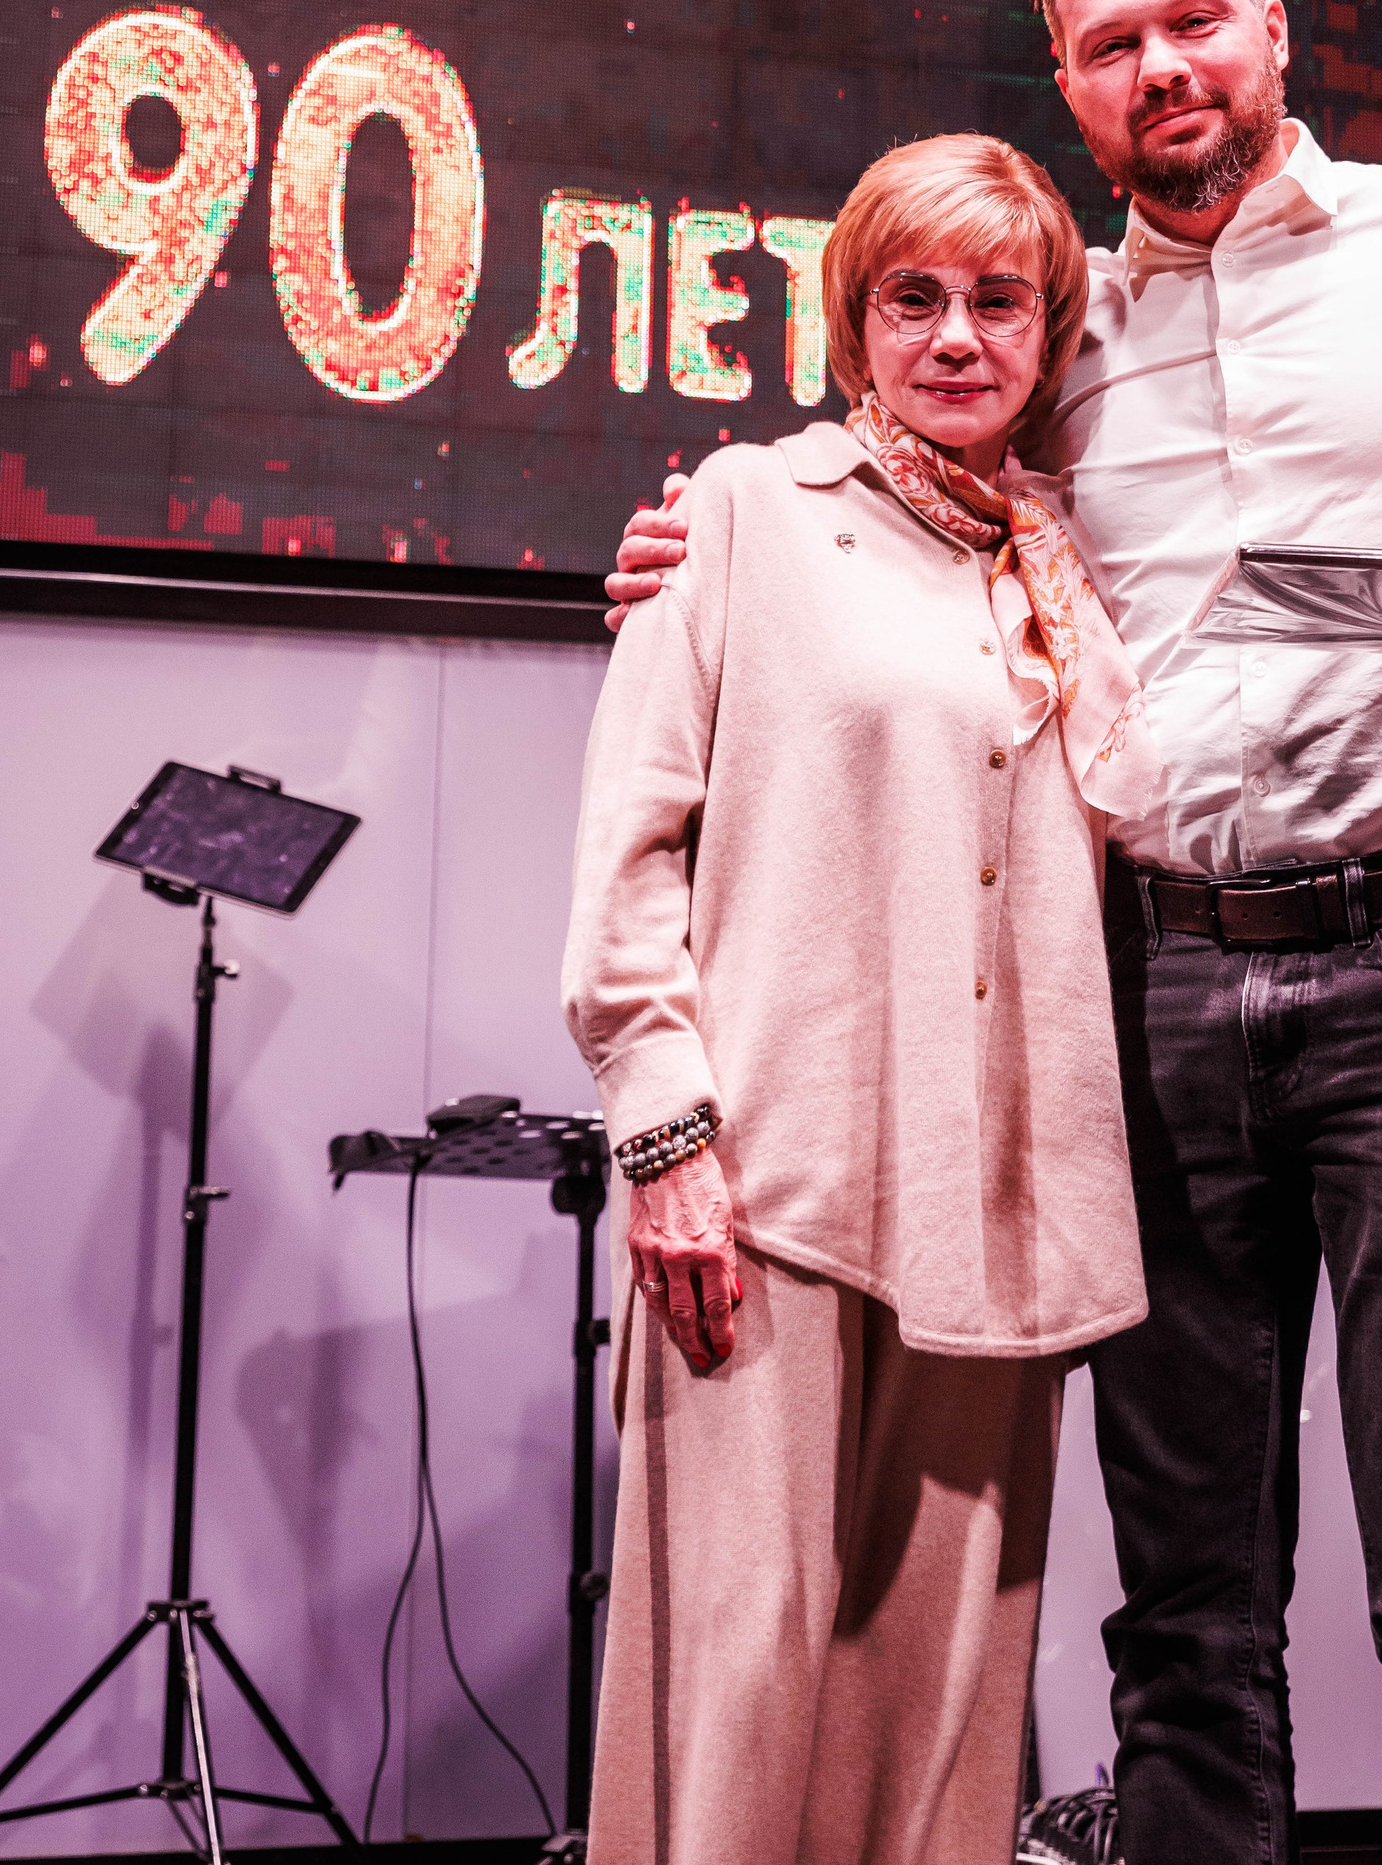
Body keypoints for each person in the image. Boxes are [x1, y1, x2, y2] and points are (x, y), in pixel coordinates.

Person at [606, 0, 1382, 1865]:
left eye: (1194, 22)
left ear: (1272, 29)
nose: (1164, 67)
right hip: (1153, 990)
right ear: (1070, 84)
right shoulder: (1062, 326)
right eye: (1112, 45)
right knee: (1186, 1604)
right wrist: (706, 554)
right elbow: (912, 497)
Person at [562, 131, 1159, 1865]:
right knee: (737, 1691)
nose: (958, 336)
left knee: (943, 1715)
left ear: (1049, 335)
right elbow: (629, 853)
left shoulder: (1066, 573)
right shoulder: (743, 512)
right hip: (772, 1193)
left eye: (1000, 302)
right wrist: (668, 1141)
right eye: (916, 298)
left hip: (1005, 1214)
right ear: (855, 322)